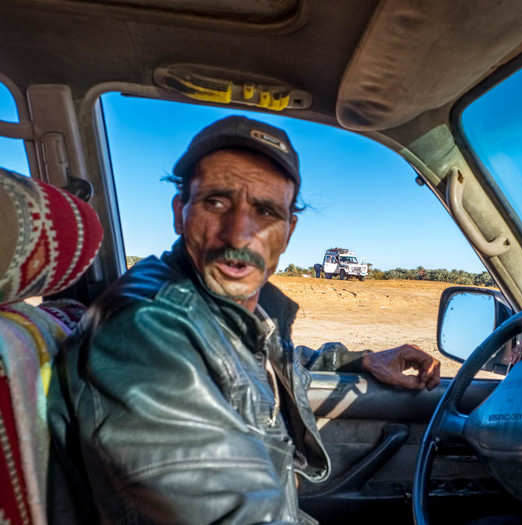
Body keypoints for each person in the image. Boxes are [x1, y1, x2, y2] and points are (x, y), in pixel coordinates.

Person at [48, 116, 440, 524]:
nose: (238, 233)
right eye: (216, 202)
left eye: (266, 210)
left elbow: (252, 360)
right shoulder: (146, 328)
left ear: (288, 231)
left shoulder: (229, 307)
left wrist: (357, 362)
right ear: (180, 212)